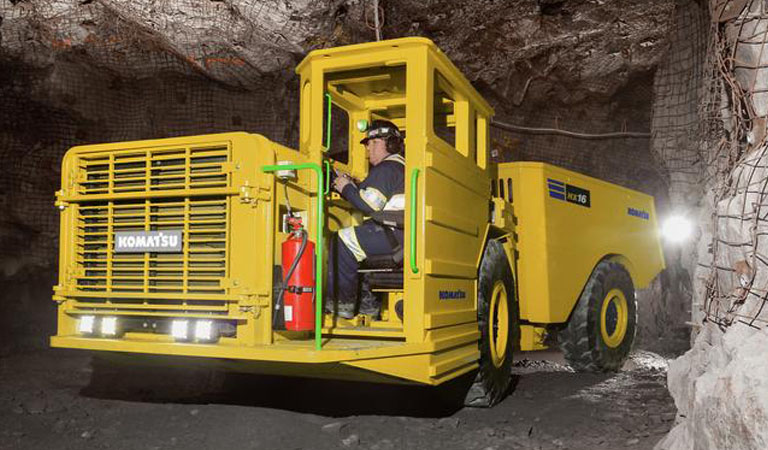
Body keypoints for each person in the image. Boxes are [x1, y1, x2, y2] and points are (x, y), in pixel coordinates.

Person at [326, 119, 405, 319]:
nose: (368, 148)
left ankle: (342, 304)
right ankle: (368, 306)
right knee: (360, 241)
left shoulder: (387, 168)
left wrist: (345, 187)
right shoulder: (399, 167)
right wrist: (353, 186)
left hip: (393, 236)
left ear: (384, 143)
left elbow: (369, 204)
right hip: (399, 234)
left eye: (371, 143)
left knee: (342, 240)